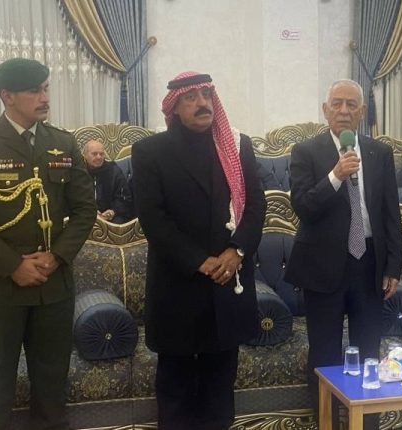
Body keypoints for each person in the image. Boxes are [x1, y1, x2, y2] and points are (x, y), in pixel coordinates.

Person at [0, 58, 96, 430]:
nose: (44, 97)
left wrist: (57, 256)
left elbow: (85, 210)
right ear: (7, 95)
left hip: (53, 283)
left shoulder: (62, 142)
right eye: (34, 91)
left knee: (52, 383)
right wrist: (14, 265)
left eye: (46, 88)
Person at [131, 71, 266, 429]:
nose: (202, 103)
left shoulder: (237, 145)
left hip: (228, 285)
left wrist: (236, 251)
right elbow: (154, 220)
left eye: (206, 95)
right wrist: (200, 261)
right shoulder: (150, 151)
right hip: (179, 287)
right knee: (175, 391)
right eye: (191, 98)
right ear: (174, 107)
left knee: (220, 390)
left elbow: (256, 206)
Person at [285, 79, 402, 428]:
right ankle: (328, 423)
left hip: (369, 263)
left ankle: (367, 423)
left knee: (369, 353)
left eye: (351, 105)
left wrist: (393, 266)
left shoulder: (379, 153)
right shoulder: (306, 152)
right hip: (322, 266)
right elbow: (304, 207)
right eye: (337, 104)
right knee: (325, 355)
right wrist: (335, 176)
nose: (344, 111)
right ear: (325, 110)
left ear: (362, 112)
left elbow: (390, 213)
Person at [82, 139, 133, 223]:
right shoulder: (79, 172)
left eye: (101, 154)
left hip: (110, 216)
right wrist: (90, 211)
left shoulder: (114, 170)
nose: (99, 157)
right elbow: (73, 198)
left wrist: (113, 211)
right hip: (84, 214)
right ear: (85, 155)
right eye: (94, 154)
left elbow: (124, 197)